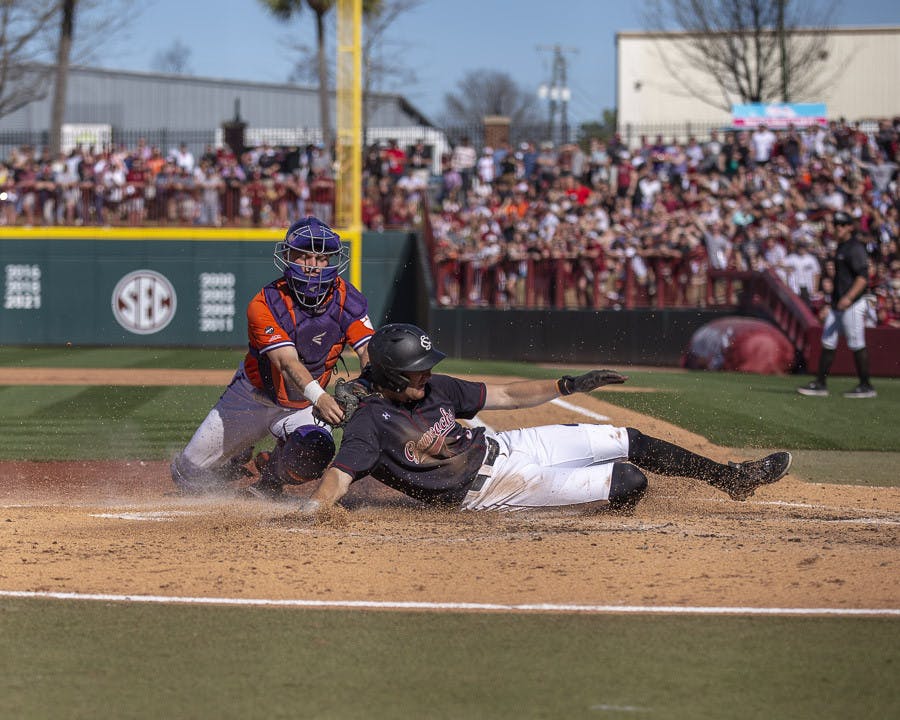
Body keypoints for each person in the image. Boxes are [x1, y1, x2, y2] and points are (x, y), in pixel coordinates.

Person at [289, 323, 792, 519]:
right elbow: (341, 472)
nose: (428, 376)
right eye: (418, 371)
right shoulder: (370, 423)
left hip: (509, 449)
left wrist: (567, 386)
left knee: (629, 439)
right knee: (628, 480)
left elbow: (506, 393)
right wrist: (315, 511)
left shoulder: (437, 389)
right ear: (393, 374)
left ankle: (733, 479)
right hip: (490, 488)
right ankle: (583, 515)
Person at [170, 216, 375, 497]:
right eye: (304, 256)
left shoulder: (347, 298)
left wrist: (368, 384)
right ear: (288, 258)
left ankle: (271, 479)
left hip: (302, 404)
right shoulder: (265, 303)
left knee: (316, 449)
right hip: (251, 397)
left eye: (321, 257)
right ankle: (236, 457)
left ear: (331, 261)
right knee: (187, 475)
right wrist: (322, 398)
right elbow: (286, 362)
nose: (313, 266)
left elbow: (368, 350)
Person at [797, 211, 877, 398]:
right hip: (838, 303)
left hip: (853, 303)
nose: (838, 228)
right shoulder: (842, 246)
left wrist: (849, 297)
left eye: (842, 225)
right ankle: (820, 383)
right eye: (836, 224)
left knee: (856, 342)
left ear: (850, 226)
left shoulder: (854, 247)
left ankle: (866, 385)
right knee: (827, 341)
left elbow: (863, 277)